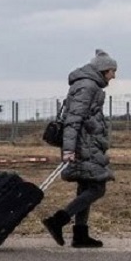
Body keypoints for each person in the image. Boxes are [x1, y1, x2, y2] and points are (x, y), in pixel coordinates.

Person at [42, 49, 117, 248]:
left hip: (87, 144)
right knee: (97, 188)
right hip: (84, 146)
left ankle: (80, 235)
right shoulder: (87, 87)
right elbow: (73, 120)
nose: (114, 75)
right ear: (103, 70)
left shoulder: (88, 85)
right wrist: (68, 149)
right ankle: (57, 221)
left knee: (86, 186)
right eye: (112, 71)